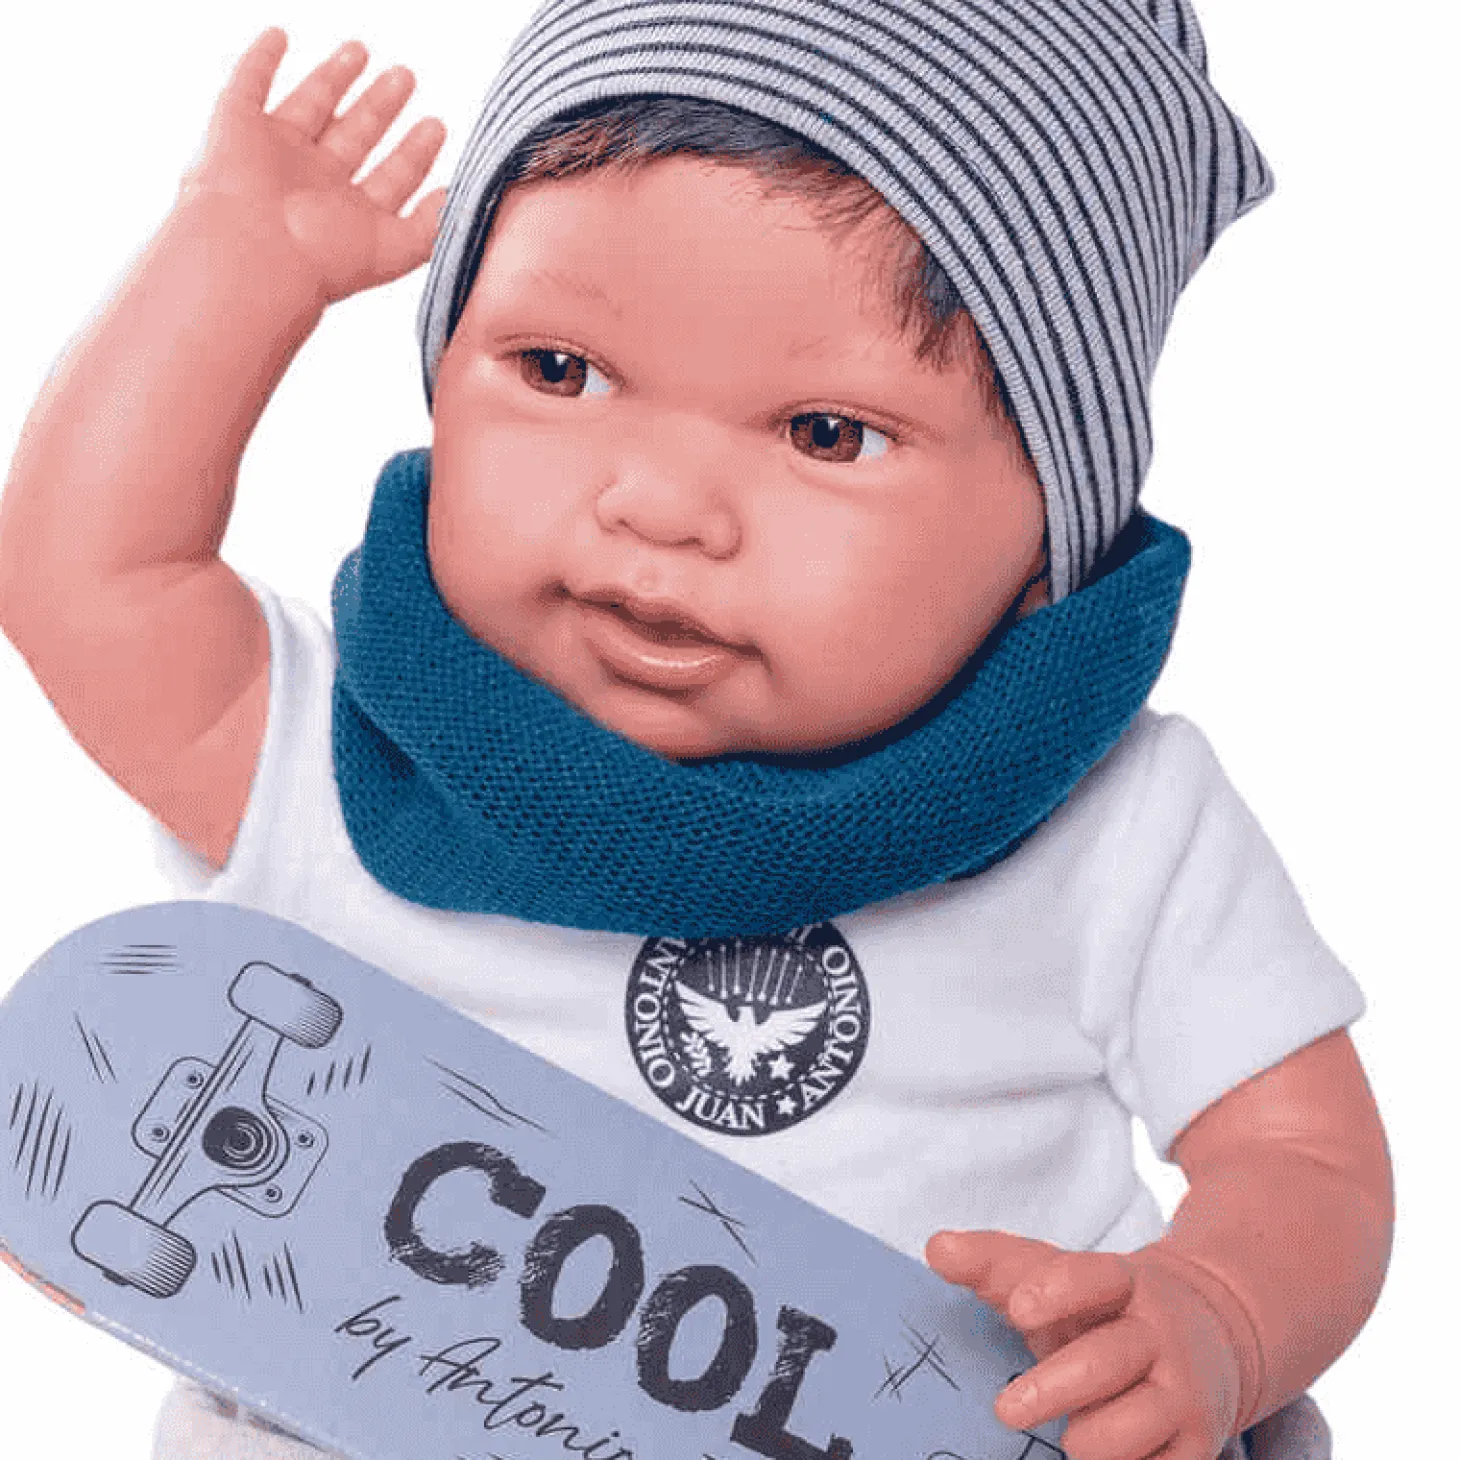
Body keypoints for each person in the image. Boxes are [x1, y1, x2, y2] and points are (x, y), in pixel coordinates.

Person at [0, 4, 1393, 1459]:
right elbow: (87, 583)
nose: (658, 504)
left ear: (1054, 528)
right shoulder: (349, 750)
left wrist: (1219, 1314)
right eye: (559, 370)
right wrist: (234, 260)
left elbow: (1301, 1158)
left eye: (825, 434)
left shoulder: (1114, 830)